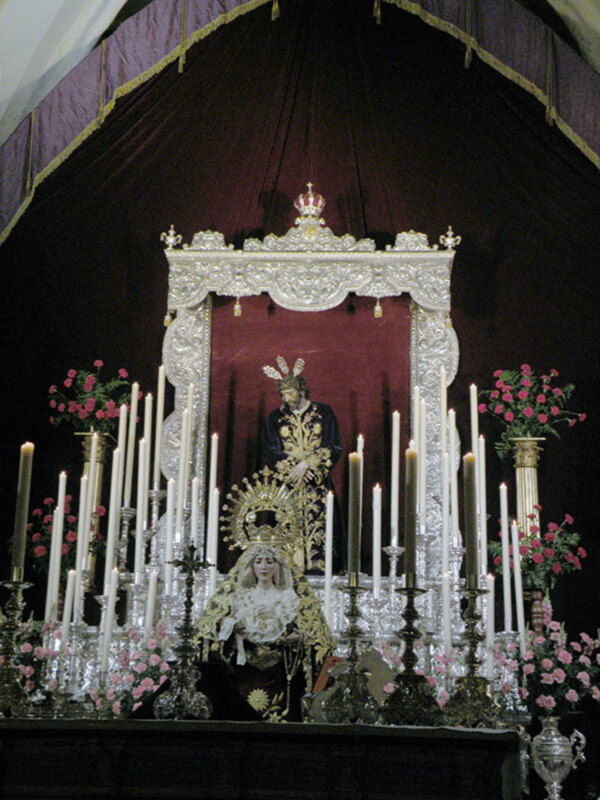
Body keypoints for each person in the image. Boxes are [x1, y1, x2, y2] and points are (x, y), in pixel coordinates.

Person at [196, 540, 334, 721]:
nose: (264, 567)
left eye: (270, 561)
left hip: (280, 670)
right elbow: (211, 634)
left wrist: (297, 639)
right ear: (251, 565)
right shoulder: (238, 597)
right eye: (259, 561)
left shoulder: (290, 598)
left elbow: (312, 635)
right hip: (245, 670)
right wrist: (230, 627)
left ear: (278, 566)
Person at [261, 356, 343, 572]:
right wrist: (294, 469)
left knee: (322, 532)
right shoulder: (274, 419)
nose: (287, 398)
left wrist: (308, 465)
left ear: (301, 390)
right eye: (283, 394)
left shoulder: (324, 413)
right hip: (287, 486)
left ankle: (321, 573)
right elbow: (270, 451)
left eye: (290, 393)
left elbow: (333, 446)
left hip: (317, 487)